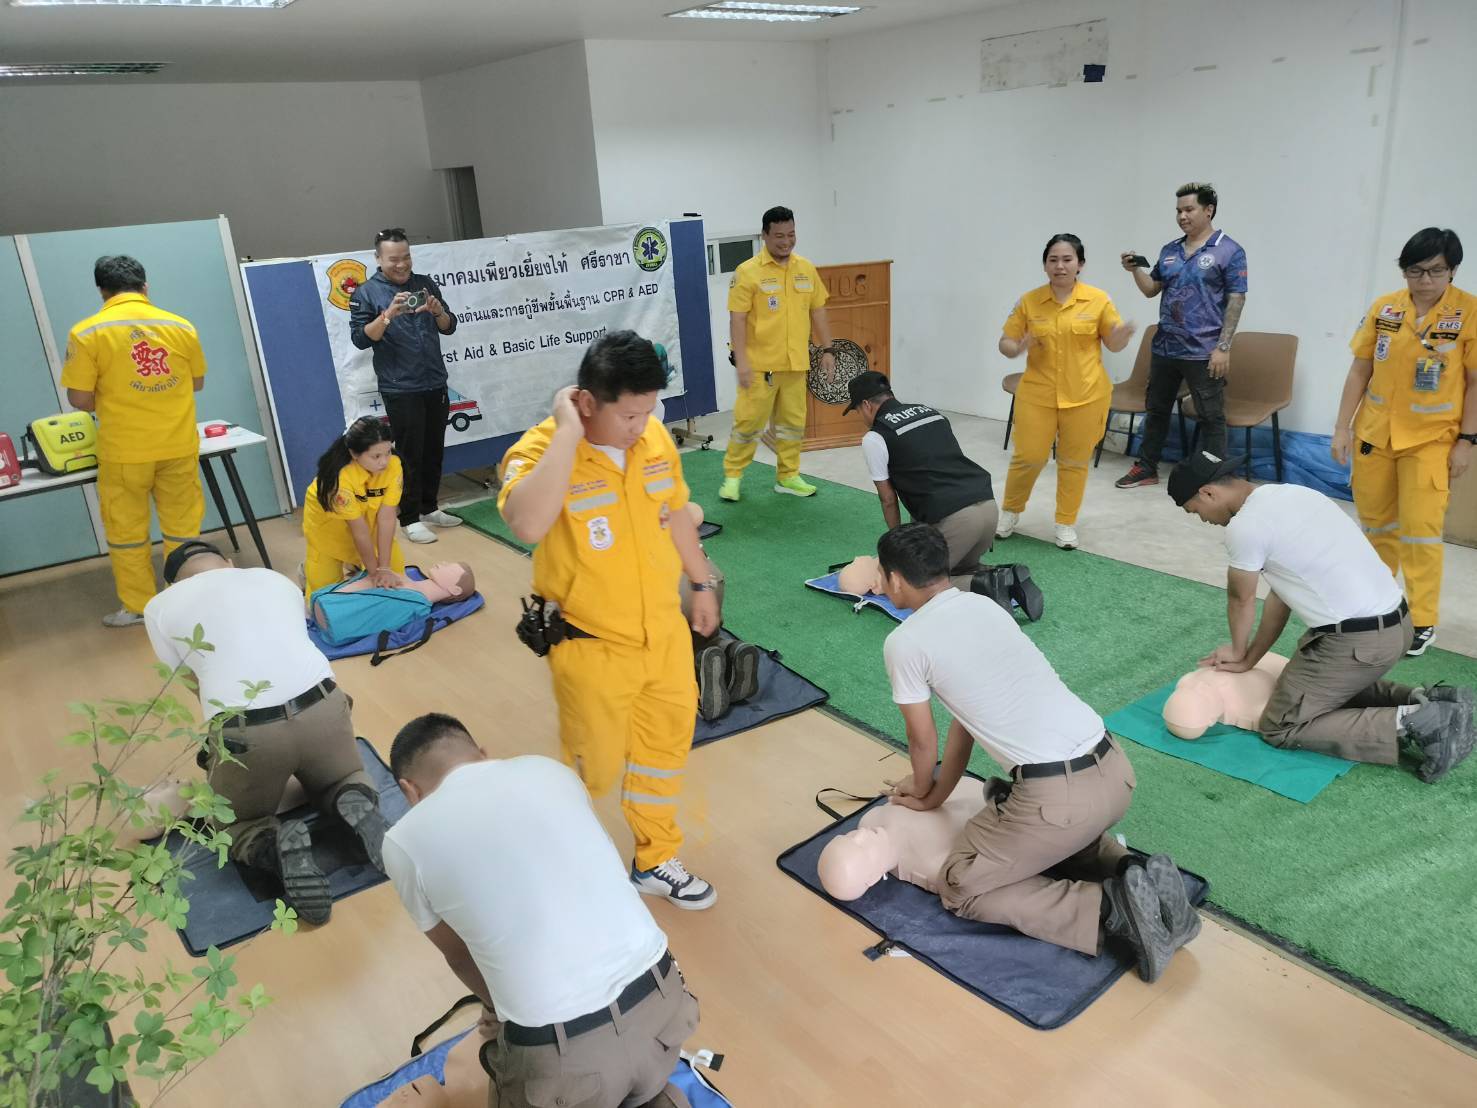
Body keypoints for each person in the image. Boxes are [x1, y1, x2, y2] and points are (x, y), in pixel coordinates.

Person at [874, 523, 1199, 982]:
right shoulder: (984, 606)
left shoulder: (905, 642)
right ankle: (1132, 870)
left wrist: (921, 788)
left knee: (960, 884)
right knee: (1045, 831)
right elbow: (967, 721)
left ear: (894, 579)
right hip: (1115, 772)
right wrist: (935, 794)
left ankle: (1110, 910)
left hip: (1058, 802)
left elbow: (922, 739)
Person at [499, 331, 719, 909]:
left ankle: (655, 858)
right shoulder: (541, 450)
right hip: (591, 645)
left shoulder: (653, 440)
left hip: (662, 636)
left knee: (663, 752)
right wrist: (568, 434)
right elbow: (526, 524)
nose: (641, 427)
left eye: (648, 412)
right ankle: (567, 863)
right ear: (587, 402)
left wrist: (701, 582)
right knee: (591, 766)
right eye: (628, 415)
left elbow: (676, 513)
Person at [383, 713, 700, 1108]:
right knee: (631, 1080)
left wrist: (499, 1014)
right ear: (482, 754)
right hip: (665, 1003)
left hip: (565, 1061)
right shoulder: (550, 771)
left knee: (555, 1079)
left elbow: (458, 954)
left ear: (409, 790)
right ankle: (650, 1093)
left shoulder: (403, 841)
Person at [1169, 450, 1474, 782]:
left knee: (1281, 724)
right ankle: (1435, 700)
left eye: (1195, 511)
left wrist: (1238, 651)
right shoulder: (1294, 494)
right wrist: (1248, 658)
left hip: (1359, 643)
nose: (1203, 520)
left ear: (1208, 493)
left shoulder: (1245, 527)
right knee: (1320, 689)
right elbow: (1280, 599)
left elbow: (1240, 599)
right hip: (1399, 626)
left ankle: (1418, 721)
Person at [144, 541, 387, 924]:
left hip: (251, 731)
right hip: (325, 703)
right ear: (229, 563)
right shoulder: (274, 579)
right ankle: (353, 798)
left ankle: (270, 845)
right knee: (343, 776)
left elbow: (194, 682)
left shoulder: (160, 608)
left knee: (234, 821)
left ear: (172, 584)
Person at [1332, 227, 1477, 657]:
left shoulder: (1469, 313)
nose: (1425, 280)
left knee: (1420, 533)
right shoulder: (1386, 308)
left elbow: (1475, 383)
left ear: (1453, 270)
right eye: (1415, 270)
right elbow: (1360, 370)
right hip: (1376, 435)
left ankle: (1423, 620)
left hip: (1432, 440)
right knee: (1377, 528)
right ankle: (1378, 606)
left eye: (1436, 271)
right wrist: (1342, 427)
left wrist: (1467, 440)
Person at [61, 255, 207, 627]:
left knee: (126, 534)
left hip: (124, 452)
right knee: (183, 528)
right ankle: (186, 599)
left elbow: (79, 399)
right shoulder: (180, 326)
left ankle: (140, 607)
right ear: (145, 286)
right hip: (178, 445)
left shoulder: (87, 333)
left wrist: (117, 395)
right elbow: (196, 383)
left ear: (102, 291)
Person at [843, 371, 1043, 618]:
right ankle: (1005, 577)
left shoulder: (875, 437)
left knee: (913, 585)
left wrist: (897, 553)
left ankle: (986, 586)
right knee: (957, 567)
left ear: (866, 405)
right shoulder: (930, 412)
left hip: (957, 521)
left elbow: (888, 499)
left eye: (857, 411)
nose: (861, 418)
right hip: (988, 510)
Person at [998, 234, 1137, 549]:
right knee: (1028, 457)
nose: (1060, 266)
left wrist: (1123, 334)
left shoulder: (1098, 300)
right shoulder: (1029, 301)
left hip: (1086, 394)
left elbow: (1114, 343)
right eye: (1053, 260)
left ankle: (1065, 522)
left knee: (1074, 461)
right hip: (1038, 393)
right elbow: (1005, 342)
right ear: (1045, 265)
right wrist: (1017, 347)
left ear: (1080, 264)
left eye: (1067, 259)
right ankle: (1010, 510)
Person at [1117, 183, 1248, 489]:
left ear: (1208, 210)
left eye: (1189, 209)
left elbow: (1236, 299)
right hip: (1165, 347)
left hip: (1204, 351)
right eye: (1178, 211)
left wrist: (1223, 347)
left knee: (1211, 416)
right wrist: (1134, 271)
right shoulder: (1170, 250)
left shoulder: (1229, 250)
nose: (1182, 216)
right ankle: (1146, 467)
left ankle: (1213, 477)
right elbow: (1151, 289)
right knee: (1157, 410)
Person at [349, 227, 462, 544]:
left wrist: (438, 311)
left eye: (406, 257)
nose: (401, 264)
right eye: (394, 259)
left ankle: (430, 507)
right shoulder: (366, 293)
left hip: (434, 381)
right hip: (401, 387)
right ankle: (409, 517)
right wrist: (388, 315)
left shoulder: (424, 283)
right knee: (409, 455)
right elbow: (360, 339)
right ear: (378, 259)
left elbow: (449, 326)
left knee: (434, 449)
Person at [719, 205, 836, 501]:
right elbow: (737, 319)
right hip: (760, 367)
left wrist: (828, 349)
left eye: (791, 234)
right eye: (780, 236)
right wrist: (741, 361)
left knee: (792, 425)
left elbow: (818, 311)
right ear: (765, 235)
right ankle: (733, 476)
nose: (787, 241)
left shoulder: (806, 269)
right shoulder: (747, 272)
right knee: (748, 424)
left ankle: (788, 476)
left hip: (795, 364)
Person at [302, 417, 407, 599]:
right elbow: (359, 531)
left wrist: (384, 568)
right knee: (324, 596)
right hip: (329, 531)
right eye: (376, 456)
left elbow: (387, 517)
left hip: (370, 524)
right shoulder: (340, 479)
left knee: (397, 579)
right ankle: (308, 571)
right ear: (354, 453)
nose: (384, 461)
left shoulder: (394, 466)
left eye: (388, 452)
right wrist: (374, 574)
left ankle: (357, 565)